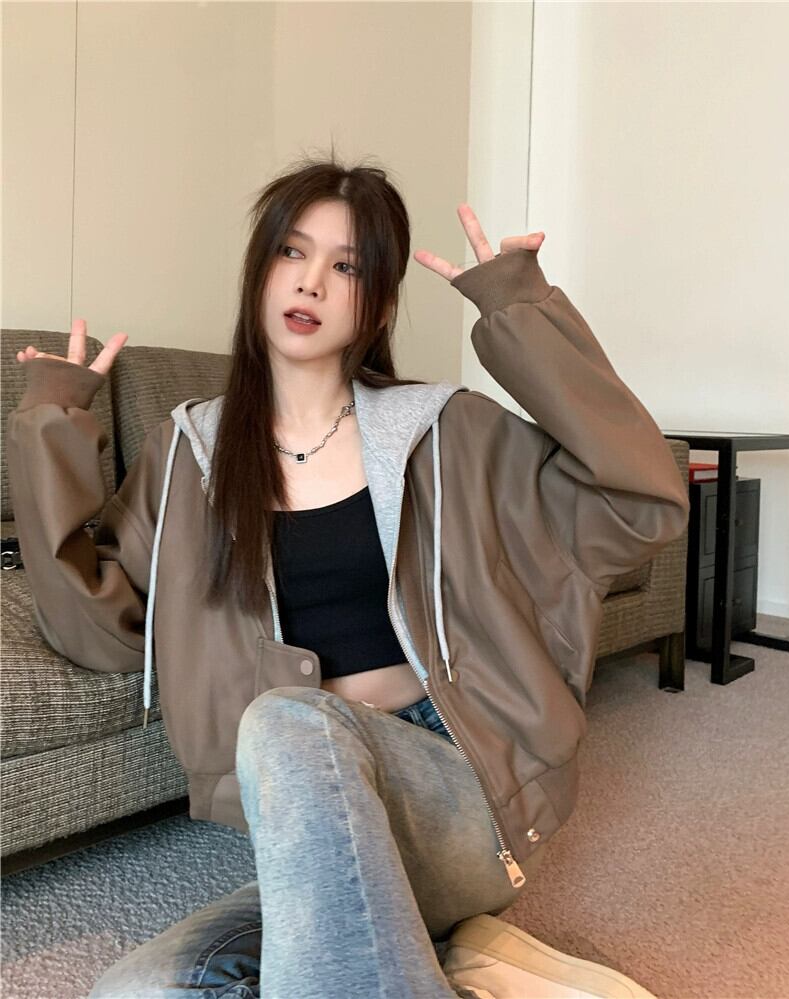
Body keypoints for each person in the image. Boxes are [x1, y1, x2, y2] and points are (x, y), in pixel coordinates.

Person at [8, 152, 688, 999]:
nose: (311, 281)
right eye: (292, 252)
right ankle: (458, 965)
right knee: (136, 991)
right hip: (320, 826)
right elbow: (97, 628)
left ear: (379, 304)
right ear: (259, 270)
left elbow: (640, 501)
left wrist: (517, 311)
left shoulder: (447, 431)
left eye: (347, 266)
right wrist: (51, 422)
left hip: (460, 787)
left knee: (288, 720)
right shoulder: (188, 453)